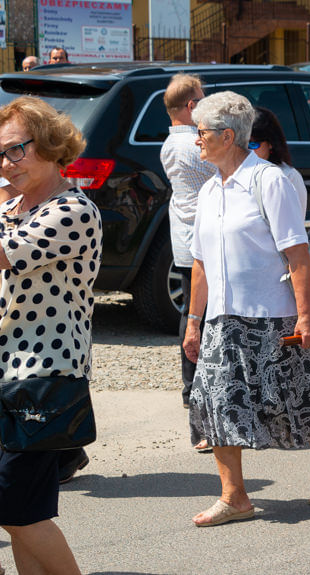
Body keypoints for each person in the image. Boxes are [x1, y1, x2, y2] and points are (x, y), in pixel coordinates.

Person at [182, 91, 310, 526]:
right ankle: (235, 496)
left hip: (271, 315)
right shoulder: (208, 190)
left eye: (200, 133)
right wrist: (192, 322)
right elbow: (200, 263)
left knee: (295, 402)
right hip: (223, 319)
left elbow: (297, 255)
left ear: (227, 136)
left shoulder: (269, 180)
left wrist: (306, 317)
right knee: (218, 401)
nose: (195, 141)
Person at [0, 95, 103, 575]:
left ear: (47, 145)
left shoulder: (72, 210)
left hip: (42, 373)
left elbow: (5, 255)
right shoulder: (15, 205)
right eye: (1, 154)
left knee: (15, 508)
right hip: (7, 370)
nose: (7, 163)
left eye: (15, 150)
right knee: (23, 511)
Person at [159, 73, 217, 414]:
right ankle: (192, 388)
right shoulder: (191, 146)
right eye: (203, 99)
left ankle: (193, 387)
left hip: (186, 237)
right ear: (192, 105)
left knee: (194, 311)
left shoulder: (171, 142)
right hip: (202, 241)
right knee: (198, 314)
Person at [249, 107, 306, 212]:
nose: (247, 150)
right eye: (240, 144)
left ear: (270, 143)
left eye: (253, 144)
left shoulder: (287, 177)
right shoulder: (226, 175)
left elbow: (292, 226)